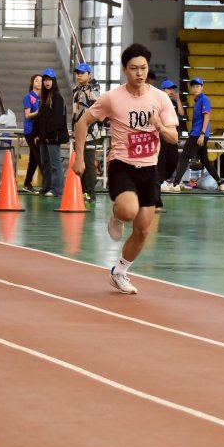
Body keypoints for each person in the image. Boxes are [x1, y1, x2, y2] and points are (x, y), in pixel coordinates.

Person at [72, 44, 179, 295]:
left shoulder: (160, 98)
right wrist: (79, 157)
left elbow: (174, 137)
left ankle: (119, 272)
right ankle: (117, 214)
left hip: (150, 167)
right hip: (122, 164)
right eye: (134, 68)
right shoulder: (112, 97)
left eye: (143, 68)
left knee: (143, 229)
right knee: (129, 211)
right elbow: (83, 122)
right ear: (124, 70)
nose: (139, 73)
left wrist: (160, 128)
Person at [167, 77, 224, 192]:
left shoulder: (204, 99)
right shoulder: (197, 100)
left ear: (202, 87)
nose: (195, 88)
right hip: (198, 134)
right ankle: (221, 183)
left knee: (184, 157)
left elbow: (207, 117)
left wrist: (202, 134)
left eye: (197, 86)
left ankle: (176, 184)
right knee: (205, 161)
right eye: (193, 87)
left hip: (198, 134)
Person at [35, 68, 68, 197]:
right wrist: (39, 134)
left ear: (53, 81)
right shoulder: (43, 98)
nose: (47, 82)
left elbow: (57, 119)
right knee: (45, 164)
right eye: (45, 80)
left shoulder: (57, 98)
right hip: (44, 137)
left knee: (55, 164)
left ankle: (57, 189)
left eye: (49, 80)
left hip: (53, 137)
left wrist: (51, 134)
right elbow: (41, 118)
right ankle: (46, 187)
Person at [71, 62, 101, 202]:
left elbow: (99, 110)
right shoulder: (77, 90)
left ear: (89, 75)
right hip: (79, 132)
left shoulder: (93, 90)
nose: (79, 75)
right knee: (80, 161)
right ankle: (82, 191)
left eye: (82, 72)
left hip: (90, 132)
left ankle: (90, 194)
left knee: (88, 163)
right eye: (77, 72)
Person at [157, 79, 183, 186]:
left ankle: (166, 178)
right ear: (163, 90)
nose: (171, 91)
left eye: (172, 88)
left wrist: (178, 99)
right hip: (162, 134)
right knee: (162, 157)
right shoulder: (158, 102)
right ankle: (160, 180)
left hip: (172, 134)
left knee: (173, 158)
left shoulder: (173, 102)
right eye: (169, 89)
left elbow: (181, 113)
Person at [22, 74, 42, 194]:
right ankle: (49, 185)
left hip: (40, 131)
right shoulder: (28, 97)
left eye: (41, 80)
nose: (39, 82)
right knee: (39, 157)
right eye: (37, 80)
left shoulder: (43, 97)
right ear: (32, 82)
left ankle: (27, 183)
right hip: (30, 131)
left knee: (34, 159)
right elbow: (27, 115)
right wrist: (39, 112)